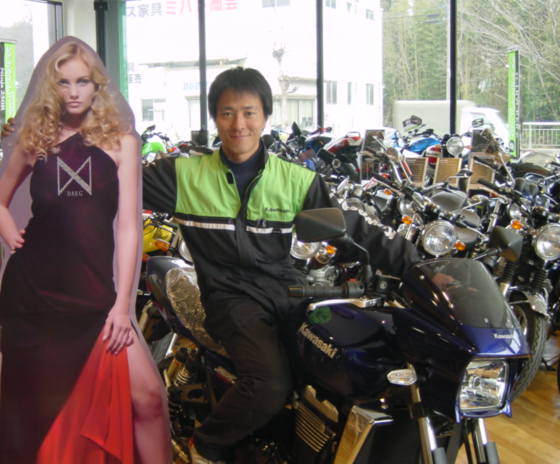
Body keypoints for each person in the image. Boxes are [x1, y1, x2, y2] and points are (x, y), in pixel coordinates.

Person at [142, 66, 420, 463]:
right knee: (269, 383)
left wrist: (417, 267)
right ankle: (206, 446)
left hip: (288, 289)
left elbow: (348, 226)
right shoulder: (183, 175)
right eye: (227, 113)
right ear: (215, 118)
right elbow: (112, 180)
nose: (239, 124)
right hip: (230, 299)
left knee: (341, 361)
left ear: (265, 117)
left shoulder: (296, 180)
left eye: (249, 112)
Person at [0, 36, 170, 464]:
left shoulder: (122, 142)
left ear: (96, 85)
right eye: (64, 82)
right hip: (37, 296)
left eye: (82, 81)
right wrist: (12, 235)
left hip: (94, 295)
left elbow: (128, 228)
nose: (73, 92)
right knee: (39, 414)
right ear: (52, 87)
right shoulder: (36, 138)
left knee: (147, 397)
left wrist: (122, 306)